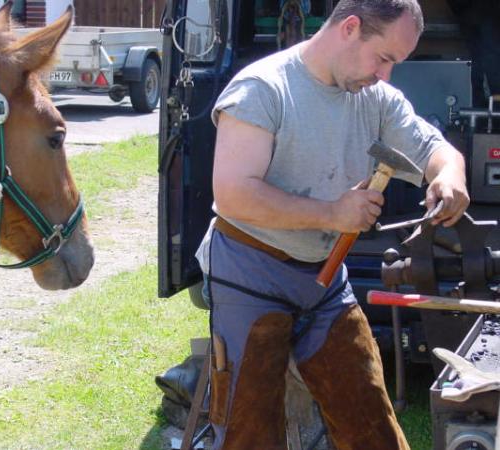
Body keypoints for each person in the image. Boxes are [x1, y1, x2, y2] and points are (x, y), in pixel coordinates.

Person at [195, 0, 470, 449]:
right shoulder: (263, 88)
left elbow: (436, 149)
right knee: (249, 431)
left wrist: (448, 177)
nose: (386, 75)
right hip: (249, 271)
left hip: (324, 282)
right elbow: (233, 194)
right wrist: (332, 214)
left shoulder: (375, 98)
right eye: (383, 58)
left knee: (370, 423)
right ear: (350, 27)